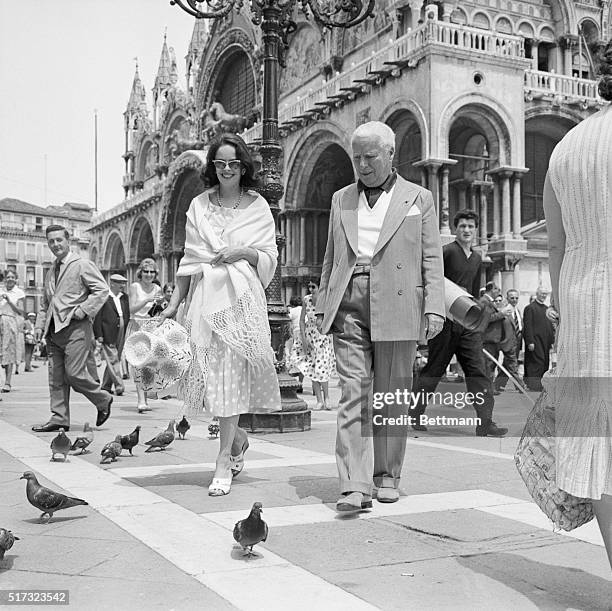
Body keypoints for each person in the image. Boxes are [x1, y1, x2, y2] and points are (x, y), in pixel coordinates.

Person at [315, 121, 445, 511]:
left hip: (399, 300)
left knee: (391, 394)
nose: (362, 165)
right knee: (353, 393)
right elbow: (330, 257)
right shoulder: (341, 198)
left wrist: (434, 306)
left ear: (391, 155)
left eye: (370, 157)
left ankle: (387, 475)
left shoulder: (419, 198)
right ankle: (353, 483)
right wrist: (323, 305)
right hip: (349, 300)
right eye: (356, 158)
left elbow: (431, 257)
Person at [160, 132, 280, 497]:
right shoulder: (198, 205)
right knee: (207, 384)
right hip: (203, 302)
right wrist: (173, 303)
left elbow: (269, 257)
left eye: (234, 163)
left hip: (240, 304)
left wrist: (242, 251)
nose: (227, 170)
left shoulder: (258, 205)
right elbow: (189, 260)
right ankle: (238, 437)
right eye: (220, 163)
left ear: (244, 167)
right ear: (213, 166)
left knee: (227, 383)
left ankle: (222, 459)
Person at [542, 44, 612, 568]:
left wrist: (565, 316)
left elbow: (558, 247)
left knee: (598, 448)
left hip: (587, 310)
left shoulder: (566, 147)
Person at [412, 210, 508, 437]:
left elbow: (474, 293)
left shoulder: (477, 258)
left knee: (478, 371)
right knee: (434, 370)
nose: (466, 230)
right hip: (445, 324)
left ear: (476, 230)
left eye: (471, 227)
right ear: (455, 229)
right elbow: (431, 283)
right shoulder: (445, 253)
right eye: (462, 226)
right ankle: (415, 412)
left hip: (468, 326)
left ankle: (486, 422)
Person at [32, 225, 112, 433]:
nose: (55, 244)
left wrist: (84, 310)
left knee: (74, 374)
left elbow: (102, 290)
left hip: (76, 327)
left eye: (59, 240)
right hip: (53, 330)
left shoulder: (82, 264)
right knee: (56, 377)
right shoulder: (51, 270)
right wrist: (40, 326)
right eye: (51, 241)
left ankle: (103, 399)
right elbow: (45, 303)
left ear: (68, 241)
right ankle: (59, 417)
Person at [126, 258, 163, 412]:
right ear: (140, 272)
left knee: (149, 365)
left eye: (152, 272)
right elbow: (132, 309)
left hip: (151, 328)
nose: (148, 275)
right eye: (146, 271)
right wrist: (147, 300)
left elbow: (158, 310)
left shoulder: (157, 288)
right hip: (137, 327)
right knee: (138, 363)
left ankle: (145, 398)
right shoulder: (135, 287)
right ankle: (141, 400)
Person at [292, 281, 336, 410]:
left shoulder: (326, 299)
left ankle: (327, 398)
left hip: (323, 336)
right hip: (310, 336)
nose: (311, 289)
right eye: (309, 286)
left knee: (322, 367)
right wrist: (304, 340)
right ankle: (319, 400)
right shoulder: (306, 300)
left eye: (313, 287)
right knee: (312, 369)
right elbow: (301, 321)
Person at [93, 274, 130, 396]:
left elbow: (127, 313)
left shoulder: (124, 297)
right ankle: (119, 385)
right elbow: (97, 317)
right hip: (108, 331)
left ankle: (106, 386)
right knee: (113, 358)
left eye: (124, 283)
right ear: (112, 283)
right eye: (120, 283)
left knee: (115, 358)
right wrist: (99, 334)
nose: (123, 286)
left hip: (121, 329)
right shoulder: (104, 296)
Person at [522, 286, 555, 391]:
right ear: (537, 293)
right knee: (536, 363)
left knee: (544, 362)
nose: (544, 296)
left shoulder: (546, 309)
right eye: (542, 293)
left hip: (545, 342)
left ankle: (540, 384)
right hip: (535, 341)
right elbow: (528, 326)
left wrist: (552, 342)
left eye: (545, 294)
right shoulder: (530, 308)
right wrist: (530, 341)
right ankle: (533, 385)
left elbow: (549, 327)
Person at [495, 289, 524, 392]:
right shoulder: (504, 311)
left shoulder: (517, 311)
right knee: (513, 365)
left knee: (507, 365)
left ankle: (497, 385)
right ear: (507, 298)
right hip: (508, 342)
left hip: (517, 342)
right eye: (512, 298)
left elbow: (519, 327)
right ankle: (520, 386)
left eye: (516, 298)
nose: (514, 300)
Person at [0, 270, 25, 392]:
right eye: (7, 277)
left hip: (10, 321)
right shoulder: (0, 290)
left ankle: (7, 382)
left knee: (9, 352)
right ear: (4, 279)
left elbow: (20, 311)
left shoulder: (19, 293)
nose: (10, 279)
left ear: (16, 279)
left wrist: (9, 301)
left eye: (12, 277)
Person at [285, 295, 304, 391]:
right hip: (304, 334)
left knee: (293, 356)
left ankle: (292, 381)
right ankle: (300, 383)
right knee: (302, 358)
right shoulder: (303, 309)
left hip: (295, 334)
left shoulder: (293, 311)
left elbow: (286, 319)